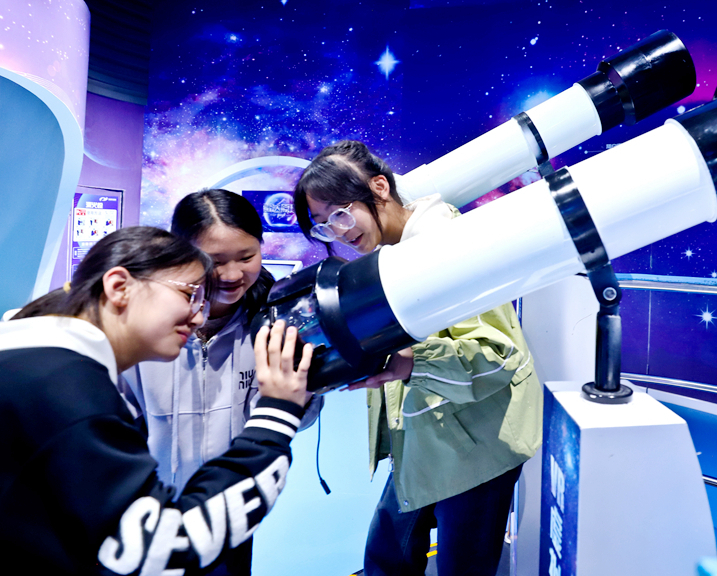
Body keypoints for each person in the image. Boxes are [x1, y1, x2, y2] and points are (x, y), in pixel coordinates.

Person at [0, 226, 312, 575]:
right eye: (190, 294)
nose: (199, 316)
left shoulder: (31, 362)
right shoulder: (68, 388)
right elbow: (164, 548)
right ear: (119, 287)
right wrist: (276, 412)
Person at [294, 140, 542, 576]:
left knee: (459, 568)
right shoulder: (389, 256)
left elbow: (497, 356)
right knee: (386, 559)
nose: (339, 232)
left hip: (480, 447)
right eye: (324, 225)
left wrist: (411, 361)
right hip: (424, 439)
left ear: (379, 187)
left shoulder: (446, 246)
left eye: (341, 213)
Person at [121, 189, 324, 575]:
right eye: (215, 262)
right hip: (145, 516)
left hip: (226, 515)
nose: (232, 275)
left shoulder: (273, 321)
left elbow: (295, 419)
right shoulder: (142, 325)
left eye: (247, 257)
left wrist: (305, 390)